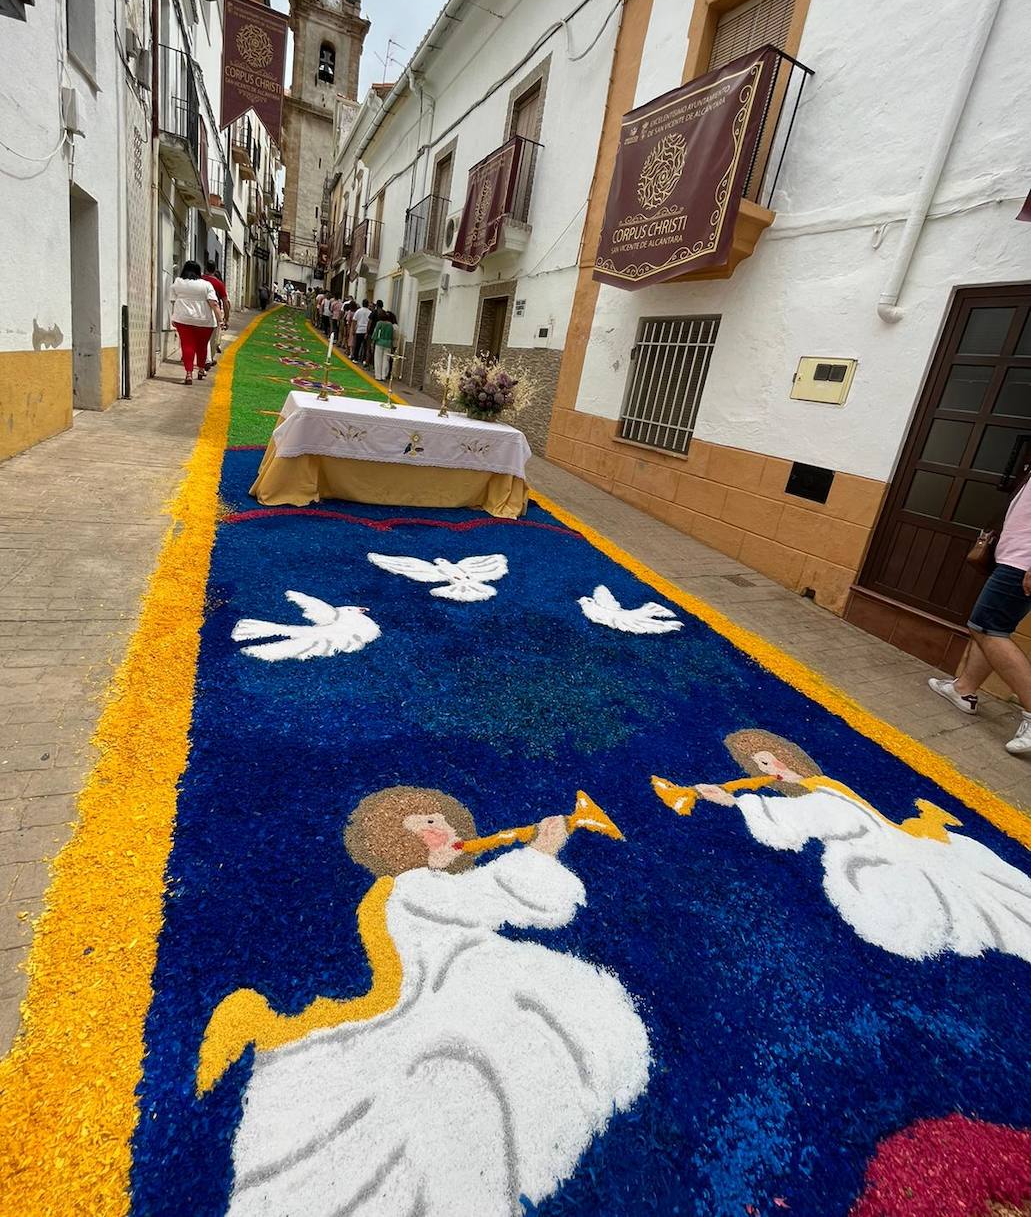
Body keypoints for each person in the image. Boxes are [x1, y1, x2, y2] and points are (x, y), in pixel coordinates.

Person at [207, 785, 649, 1216]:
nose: (436, 830)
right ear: (397, 844)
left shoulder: (422, 887)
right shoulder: (410, 888)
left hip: (465, 977)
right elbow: (496, 898)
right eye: (420, 826)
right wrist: (541, 851)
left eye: (438, 820)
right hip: (452, 988)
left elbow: (506, 898)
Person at [689, 729, 1031, 962]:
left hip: (892, 845)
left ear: (789, 758)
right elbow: (803, 817)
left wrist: (736, 803)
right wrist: (735, 803)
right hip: (872, 856)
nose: (772, 768)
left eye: (773, 759)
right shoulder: (813, 795)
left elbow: (826, 814)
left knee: (989, 891)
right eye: (761, 765)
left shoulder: (825, 785)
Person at [929, 470, 1031, 755]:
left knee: (988, 628)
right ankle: (963, 689)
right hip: (1014, 559)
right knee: (990, 629)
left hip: (1021, 564)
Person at [169, 260, 221, 385]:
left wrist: (173, 317)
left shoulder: (178, 283)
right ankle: (201, 369)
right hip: (204, 321)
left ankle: (188, 374)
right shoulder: (206, 285)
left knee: (187, 345)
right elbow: (214, 303)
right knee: (202, 346)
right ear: (199, 272)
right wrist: (220, 319)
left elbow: (172, 300)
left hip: (183, 319)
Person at [201, 263, 229, 371]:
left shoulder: (200, 279)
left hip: (200, 310)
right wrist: (226, 318)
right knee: (212, 338)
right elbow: (225, 302)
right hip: (214, 311)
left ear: (205, 268)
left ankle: (204, 359)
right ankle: (209, 359)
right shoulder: (219, 284)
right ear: (215, 270)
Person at [371, 308, 398, 382]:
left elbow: (376, 333)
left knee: (378, 359)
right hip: (388, 344)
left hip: (379, 343)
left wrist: (373, 342)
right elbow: (392, 336)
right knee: (386, 360)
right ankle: (384, 375)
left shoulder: (379, 323)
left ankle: (378, 375)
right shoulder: (390, 325)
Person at [352, 297, 371, 364]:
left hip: (359, 330)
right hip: (366, 331)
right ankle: (364, 360)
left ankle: (356, 358)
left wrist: (354, 329)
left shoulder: (358, 311)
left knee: (358, 345)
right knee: (365, 347)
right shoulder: (369, 312)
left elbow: (354, 320)